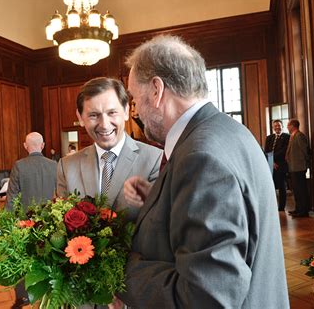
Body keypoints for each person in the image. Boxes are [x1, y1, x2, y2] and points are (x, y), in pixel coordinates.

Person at [118, 35, 289, 308]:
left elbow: (205, 296)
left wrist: (120, 272)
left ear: (156, 90)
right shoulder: (227, 131)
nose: (134, 112)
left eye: (135, 99)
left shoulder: (201, 157)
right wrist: (161, 198)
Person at [56, 77, 162, 223]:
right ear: (80, 117)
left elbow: (161, 222)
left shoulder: (155, 160)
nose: (104, 125)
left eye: (112, 113)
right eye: (94, 115)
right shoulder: (66, 166)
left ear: (125, 111)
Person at [6, 132, 57, 309]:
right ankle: (50, 296)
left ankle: (24, 298)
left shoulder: (19, 166)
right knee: (50, 260)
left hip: (25, 225)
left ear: (25, 146)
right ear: (42, 146)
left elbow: (12, 198)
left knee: (24, 261)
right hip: (52, 223)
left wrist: (8, 226)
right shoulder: (55, 165)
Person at [286, 119, 311, 218]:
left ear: (293, 126)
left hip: (299, 167)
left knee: (301, 190)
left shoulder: (299, 136)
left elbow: (305, 151)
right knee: (296, 190)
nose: (287, 127)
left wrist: (307, 164)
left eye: (288, 125)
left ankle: (303, 211)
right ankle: (298, 209)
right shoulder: (292, 136)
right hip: (293, 167)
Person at [264, 119, 290, 211]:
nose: (277, 127)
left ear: (282, 126)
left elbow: (284, 150)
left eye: (279, 125)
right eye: (275, 126)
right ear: (273, 128)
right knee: (271, 186)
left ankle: (281, 207)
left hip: (281, 165)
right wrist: (271, 162)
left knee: (282, 187)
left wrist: (273, 159)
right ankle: (272, 206)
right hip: (271, 165)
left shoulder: (287, 137)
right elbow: (266, 150)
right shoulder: (269, 137)